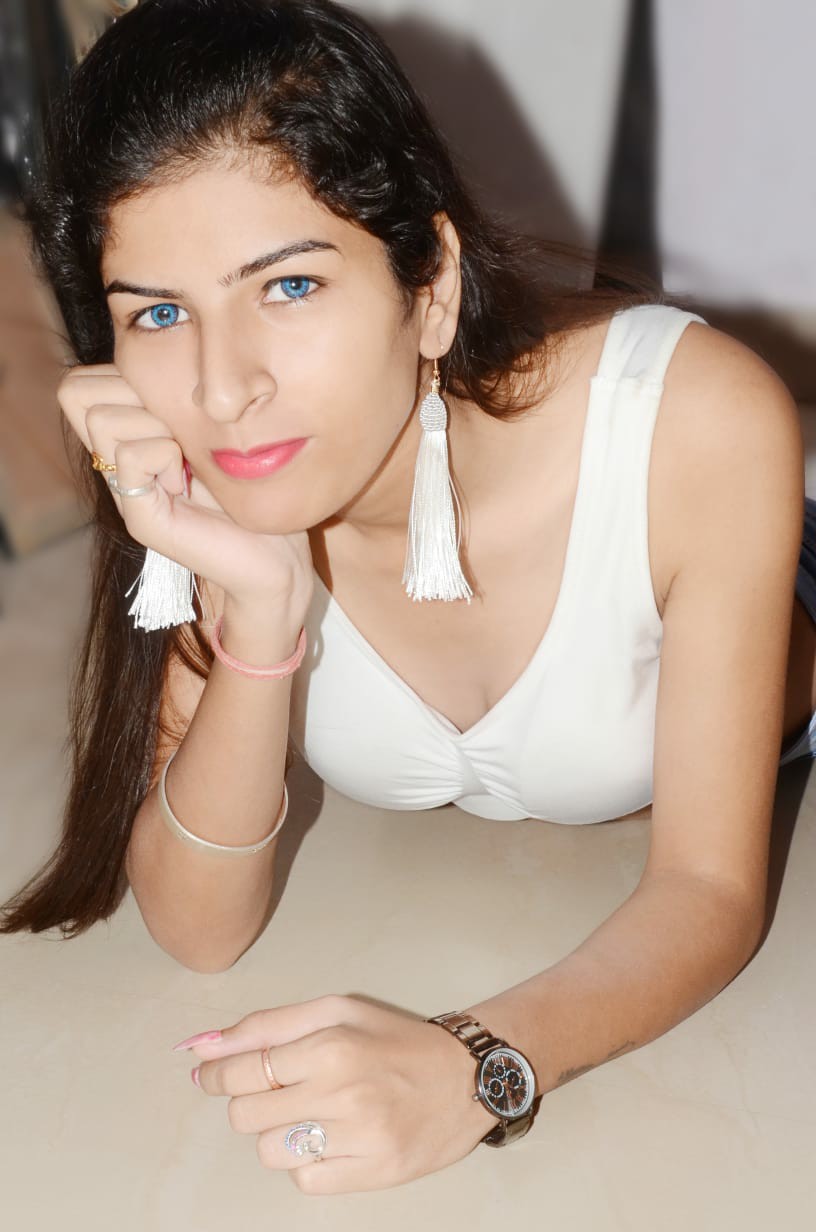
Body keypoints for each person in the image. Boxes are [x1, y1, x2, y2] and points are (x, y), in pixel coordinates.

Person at [2, 0, 815, 1197]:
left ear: (429, 286)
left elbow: (709, 888)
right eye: (159, 313)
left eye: (288, 285)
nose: (222, 389)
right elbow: (200, 928)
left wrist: (477, 1062)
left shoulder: (692, 427)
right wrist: (259, 615)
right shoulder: (218, 493)